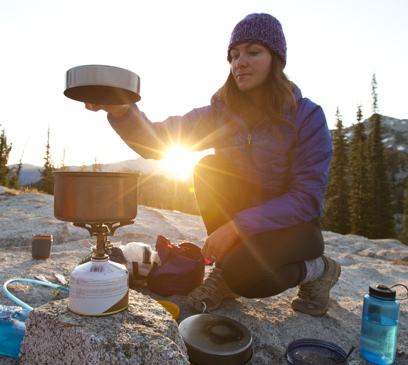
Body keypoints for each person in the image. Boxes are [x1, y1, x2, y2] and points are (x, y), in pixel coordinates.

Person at [85, 13, 340, 317]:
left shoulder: (307, 116)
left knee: (248, 280)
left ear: (276, 59)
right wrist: (123, 111)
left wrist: (237, 227)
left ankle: (318, 269)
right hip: (247, 220)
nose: (239, 62)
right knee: (207, 170)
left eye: (253, 52)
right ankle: (230, 268)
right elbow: (158, 141)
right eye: (234, 55)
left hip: (293, 226)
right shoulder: (221, 113)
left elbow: (306, 200)